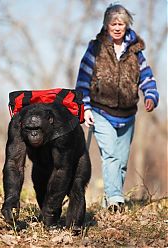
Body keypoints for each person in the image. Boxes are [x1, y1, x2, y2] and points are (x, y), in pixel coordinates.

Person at [75, 3, 159, 213]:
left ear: (127, 25)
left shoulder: (135, 52)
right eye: (113, 23)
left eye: (121, 23)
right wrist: (84, 109)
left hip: (128, 114)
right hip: (100, 111)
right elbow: (82, 81)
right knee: (110, 156)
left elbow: (147, 78)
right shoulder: (95, 48)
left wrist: (150, 95)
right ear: (106, 25)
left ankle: (109, 200)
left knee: (120, 162)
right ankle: (115, 200)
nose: (117, 27)